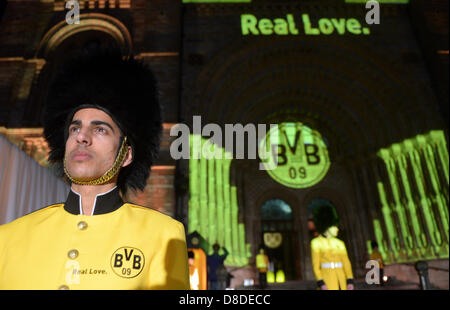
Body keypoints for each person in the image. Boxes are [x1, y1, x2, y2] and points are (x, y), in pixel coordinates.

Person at [0, 47, 190, 290]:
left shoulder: (164, 235)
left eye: (100, 129)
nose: (82, 137)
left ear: (126, 154)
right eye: (75, 129)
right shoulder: (8, 237)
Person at [310, 204, 354, 290]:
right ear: (327, 227)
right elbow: (316, 266)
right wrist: (321, 282)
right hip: (327, 279)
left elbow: (346, 262)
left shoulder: (340, 243)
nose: (337, 229)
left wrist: (350, 280)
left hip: (342, 279)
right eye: (334, 227)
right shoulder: (316, 243)